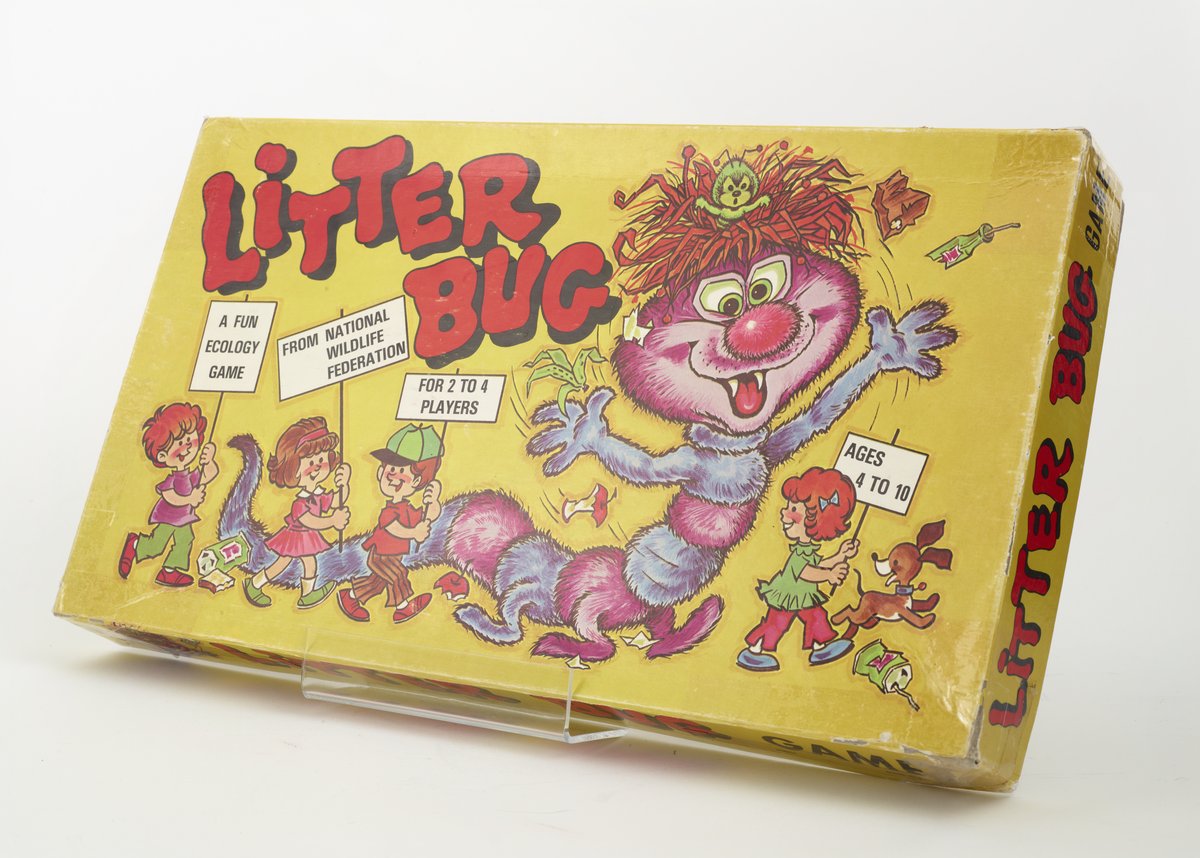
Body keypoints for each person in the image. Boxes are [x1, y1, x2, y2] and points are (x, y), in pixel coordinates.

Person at [736, 467, 858, 671]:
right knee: (776, 624)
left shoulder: (806, 549)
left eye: (793, 509)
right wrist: (829, 575)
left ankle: (821, 647)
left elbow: (818, 563)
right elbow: (806, 572)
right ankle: (754, 651)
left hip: (803, 595)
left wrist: (841, 555)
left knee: (816, 618)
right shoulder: (799, 554)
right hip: (788, 595)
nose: (784, 514)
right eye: (789, 507)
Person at [338, 424, 443, 624]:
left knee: (377, 583)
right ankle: (403, 607)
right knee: (397, 575)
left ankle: (350, 597)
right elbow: (393, 528)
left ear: (417, 482)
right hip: (381, 555)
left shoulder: (407, 508)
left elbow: (428, 516)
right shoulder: (390, 510)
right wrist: (414, 532)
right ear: (380, 472)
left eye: (401, 470)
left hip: (392, 554)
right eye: (390, 468)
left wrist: (434, 501)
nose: (393, 474)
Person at [243, 417, 350, 609]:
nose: (317, 466)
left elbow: (337, 500)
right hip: (296, 537)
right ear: (293, 469)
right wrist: (332, 520)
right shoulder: (300, 503)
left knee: (305, 562)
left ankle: (303, 593)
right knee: (286, 563)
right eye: (310, 462)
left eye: (322, 459)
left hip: (306, 537)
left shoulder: (318, 495)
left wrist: (345, 483)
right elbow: (310, 521)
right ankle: (257, 584)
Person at [118, 402, 218, 587]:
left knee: (185, 540)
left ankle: (169, 571)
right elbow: (169, 496)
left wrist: (209, 459)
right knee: (157, 545)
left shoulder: (190, 475)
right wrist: (190, 499)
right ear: (162, 456)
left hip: (184, 519)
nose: (187, 447)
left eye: (190, 440)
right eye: (179, 443)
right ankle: (136, 544)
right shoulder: (172, 479)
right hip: (169, 518)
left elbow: (209, 475)